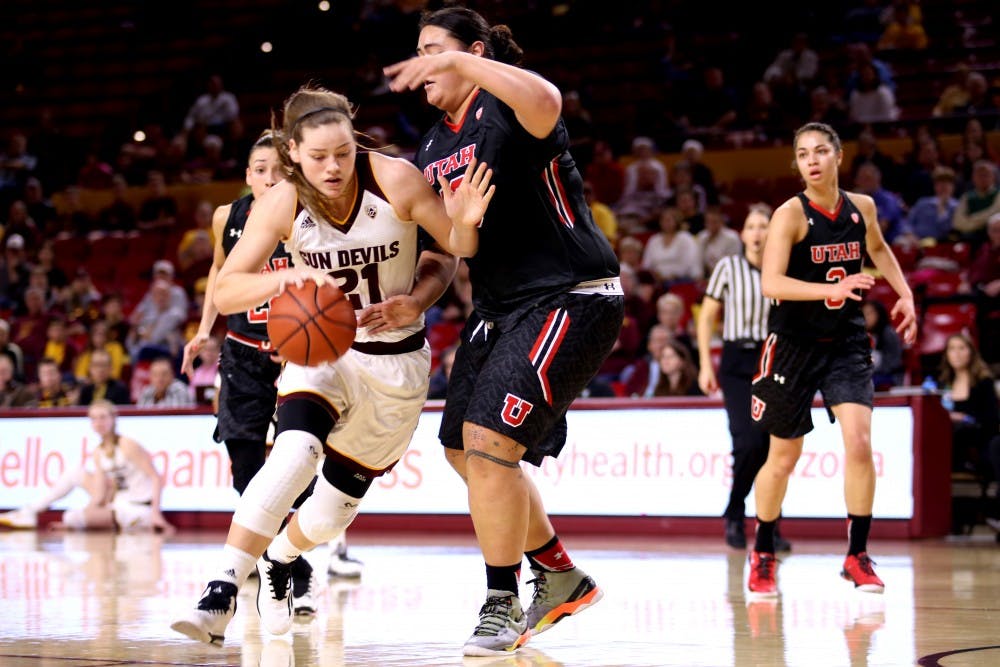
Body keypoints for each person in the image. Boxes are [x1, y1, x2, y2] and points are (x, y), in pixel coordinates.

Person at [170, 84, 492, 647]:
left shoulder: (394, 178)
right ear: (293, 152)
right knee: (295, 449)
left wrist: (425, 284)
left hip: (396, 363)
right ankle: (219, 590)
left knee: (326, 517)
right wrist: (289, 278)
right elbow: (225, 293)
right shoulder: (282, 202)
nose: (334, 166)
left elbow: (452, 250)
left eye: (342, 152)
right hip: (325, 351)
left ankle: (283, 554)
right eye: (318, 156)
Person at [384, 7, 623, 656]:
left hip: (570, 295)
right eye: (420, 51)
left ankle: (500, 602)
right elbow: (442, 250)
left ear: (475, 52)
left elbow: (549, 97)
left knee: (491, 445)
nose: (424, 64)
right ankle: (558, 571)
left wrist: (462, 62)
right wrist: (417, 300)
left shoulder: (512, 103)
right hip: (497, 309)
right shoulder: (433, 146)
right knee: (463, 448)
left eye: (435, 51)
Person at [177, 131, 359, 614]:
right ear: (247, 176)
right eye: (260, 169)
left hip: (294, 355)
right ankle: (291, 565)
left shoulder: (305, 213)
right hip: (242, 353)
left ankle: (292, 561)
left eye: (279, 170)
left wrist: (310, 341)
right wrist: (203, 330)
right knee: (244, 469)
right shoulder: (228, 217)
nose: (270, 178)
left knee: (295, 468)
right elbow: (220, 273)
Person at [747, 122, 916, 598]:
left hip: (845, 342)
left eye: (821, 151)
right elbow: (772, 284)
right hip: (793, 345)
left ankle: (857, 555)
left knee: (860, 442)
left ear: (839, 156)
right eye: (803, 154)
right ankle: (763, 551)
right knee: (783, 457)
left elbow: (879, 249)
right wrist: (833, 288)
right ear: (798, 164)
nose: (812, 160)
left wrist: (905, 294)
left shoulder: (862, 207)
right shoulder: (789, 215)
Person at [697, 204, 791, 552]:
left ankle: (770, 526)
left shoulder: (782, 270)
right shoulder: (728, 267)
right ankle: (736, 511)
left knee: (773, 450)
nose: (756, 233)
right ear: (742, 233)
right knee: (748, 443)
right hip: (737, 362)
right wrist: (706, 363)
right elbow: (706, 317)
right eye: (750, 226)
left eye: (763, 226)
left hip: (773, 361)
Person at [0, 400, 173, 532]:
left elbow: (156, 477)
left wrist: (157, 515)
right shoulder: (98, 452)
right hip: (118, 504)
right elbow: (99, 496)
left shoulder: (127, 445)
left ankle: (31, 513)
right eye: (94, 419)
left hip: (139, 507)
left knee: (73, 518)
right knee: (72, 502)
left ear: (113, 418)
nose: (99, 423)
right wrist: (84, 516)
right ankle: (30, 511)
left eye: (103, 417)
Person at [935, 334, 998, 475]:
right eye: (952, 349)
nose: (956, 354)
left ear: (971, 352)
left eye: (961, 348)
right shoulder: (943, 383)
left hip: (977, 440)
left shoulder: (983, 382)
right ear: (946, 354)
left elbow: (991, 421)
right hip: (948, 438)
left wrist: (964, 418)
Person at [861, 300, 904, 390]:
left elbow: (893, 363)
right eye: (864, 313)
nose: (866, 317)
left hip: (887, 376)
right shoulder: (859, 335)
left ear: (879, 314)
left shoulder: (888, 333)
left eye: (870, 313)